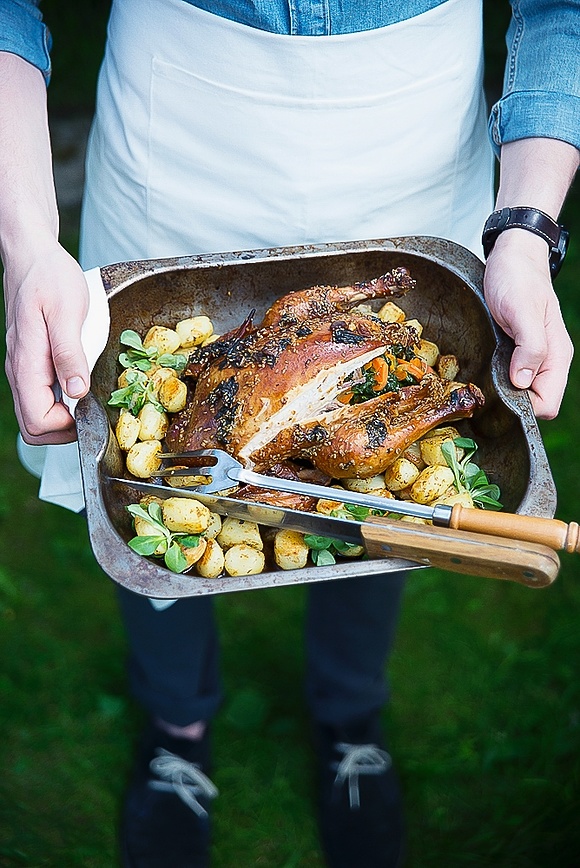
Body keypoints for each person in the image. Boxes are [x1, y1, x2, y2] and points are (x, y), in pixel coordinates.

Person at [1, 1, 578, 866]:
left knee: (377, 529)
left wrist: (528, 230)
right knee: (151, 525)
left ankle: (350, 716)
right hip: (179, 150)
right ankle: (177, 732)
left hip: (411, 148)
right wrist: (28, 247)